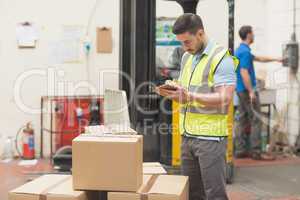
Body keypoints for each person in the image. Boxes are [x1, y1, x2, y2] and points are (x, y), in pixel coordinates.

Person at [155, 13, 238, 200]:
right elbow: (187, 94)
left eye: (187, 41)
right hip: (187, 137)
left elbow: (225, 97)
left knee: (215, 194)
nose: (184, 47)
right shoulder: (187, 58)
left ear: (200, 34)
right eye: (181, 42)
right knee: (192, 194)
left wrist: (189, 96)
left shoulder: (221, 58)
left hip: (210, 139)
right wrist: (174, 93)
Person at [235, 25, 282, 160]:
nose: (254, 35)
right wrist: (251, 91)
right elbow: (244, 72)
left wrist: (276, 59)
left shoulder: (242, 50)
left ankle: (240, 149)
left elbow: (259, 59)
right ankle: (256, 152)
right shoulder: (244, 52)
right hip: (246, 90)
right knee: (257, 119)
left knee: (242, 119)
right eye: (253, 33)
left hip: (240, 90)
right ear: (249, 34)